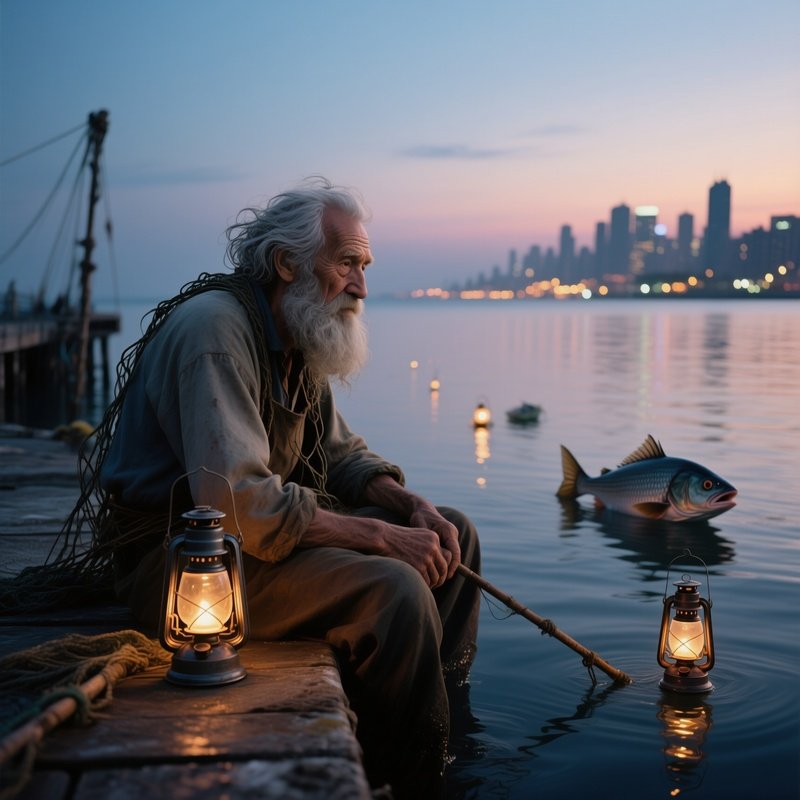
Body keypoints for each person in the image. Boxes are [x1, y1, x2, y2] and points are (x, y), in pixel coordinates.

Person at [97, 178, 481, 795]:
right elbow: (236, 504)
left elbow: (341, 454)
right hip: (185, 569)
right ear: (287, 263)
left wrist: (410, 507)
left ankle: (447, 721)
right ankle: (410, 775)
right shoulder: (215, 333)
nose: (360, 284)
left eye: (365, 265)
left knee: (454, 532)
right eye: (347, 263)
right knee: (397, 590)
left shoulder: (298, 333)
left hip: (253, 545)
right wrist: (381, 539)